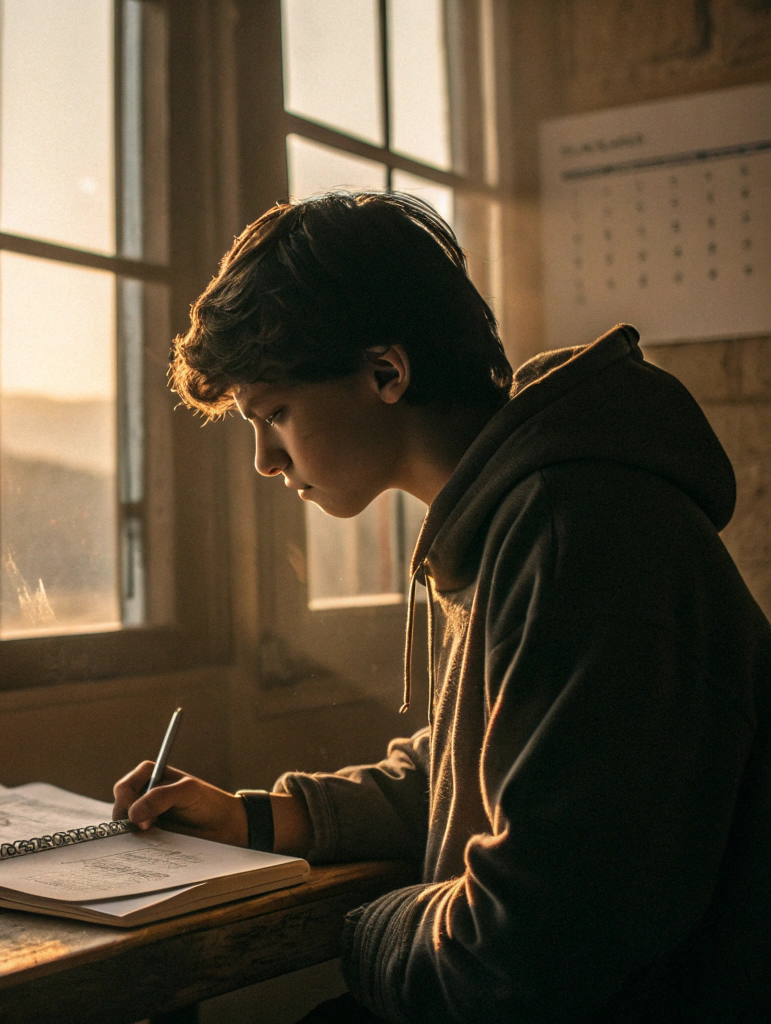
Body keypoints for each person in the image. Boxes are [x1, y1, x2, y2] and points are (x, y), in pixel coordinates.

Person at [113, 192, 771, 1022]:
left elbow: (524, 956)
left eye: (274, 413)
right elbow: (482, 764)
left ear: (386, 372)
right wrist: (259, 816)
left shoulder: (577, 531)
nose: (263, 460)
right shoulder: (507, 519)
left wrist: (361, 929)